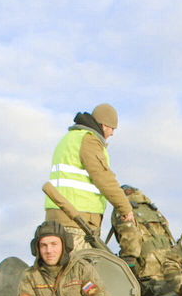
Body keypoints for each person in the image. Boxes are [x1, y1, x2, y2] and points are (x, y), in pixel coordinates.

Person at [44, 103, 135, 251]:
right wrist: (125, 208)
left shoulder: (69, 138)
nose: (112, 133)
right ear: (104, 125)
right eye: (112, 128)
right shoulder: (89, 140)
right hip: (76, 221)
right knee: (79, 271)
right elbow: (103, 177)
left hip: (56, 218)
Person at [16, 221, 114, 296]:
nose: (49, 251)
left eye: (54, 244)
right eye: (43, 245)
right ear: (36, 249)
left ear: (65, 245)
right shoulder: (31, 276)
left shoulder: (80, 269)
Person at [110, 185, 175, 296]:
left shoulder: (124, 209)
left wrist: (128, 268)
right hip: (168, 268)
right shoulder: (153, 210)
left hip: (146, 272)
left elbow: (130, 236)